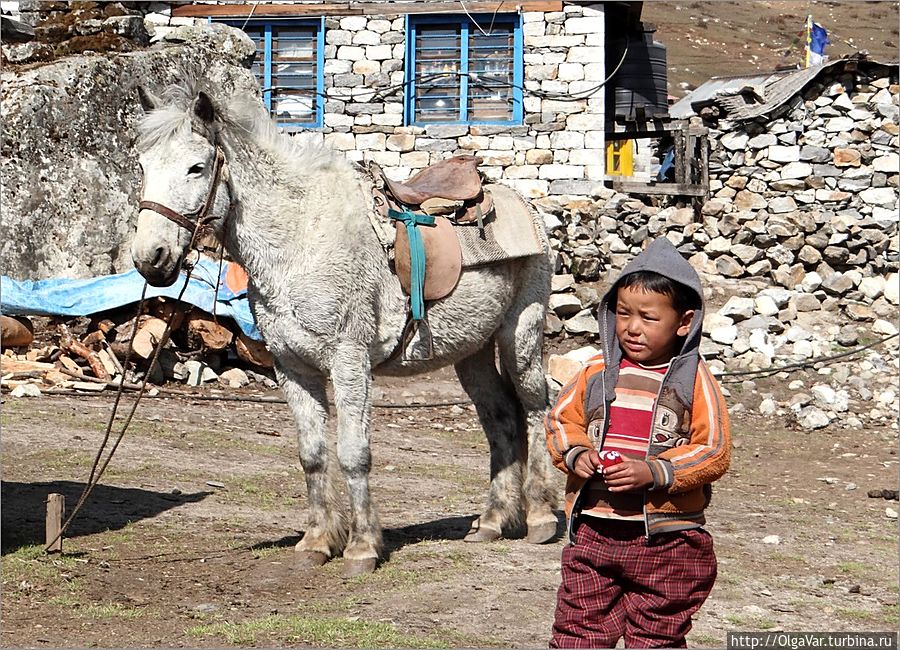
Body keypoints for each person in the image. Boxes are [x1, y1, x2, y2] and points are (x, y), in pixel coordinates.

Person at [545, 236, 731, 648]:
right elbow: (561, 421)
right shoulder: (594, 371)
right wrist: (575, 454)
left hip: (667, 541)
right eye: (623, 313)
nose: (632, 327)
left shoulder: (694, 380)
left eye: (648, 317)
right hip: (593, 532)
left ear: (683, 322)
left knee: (656, 637)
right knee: (578, 632)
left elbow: (713, 449)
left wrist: (655, 471)